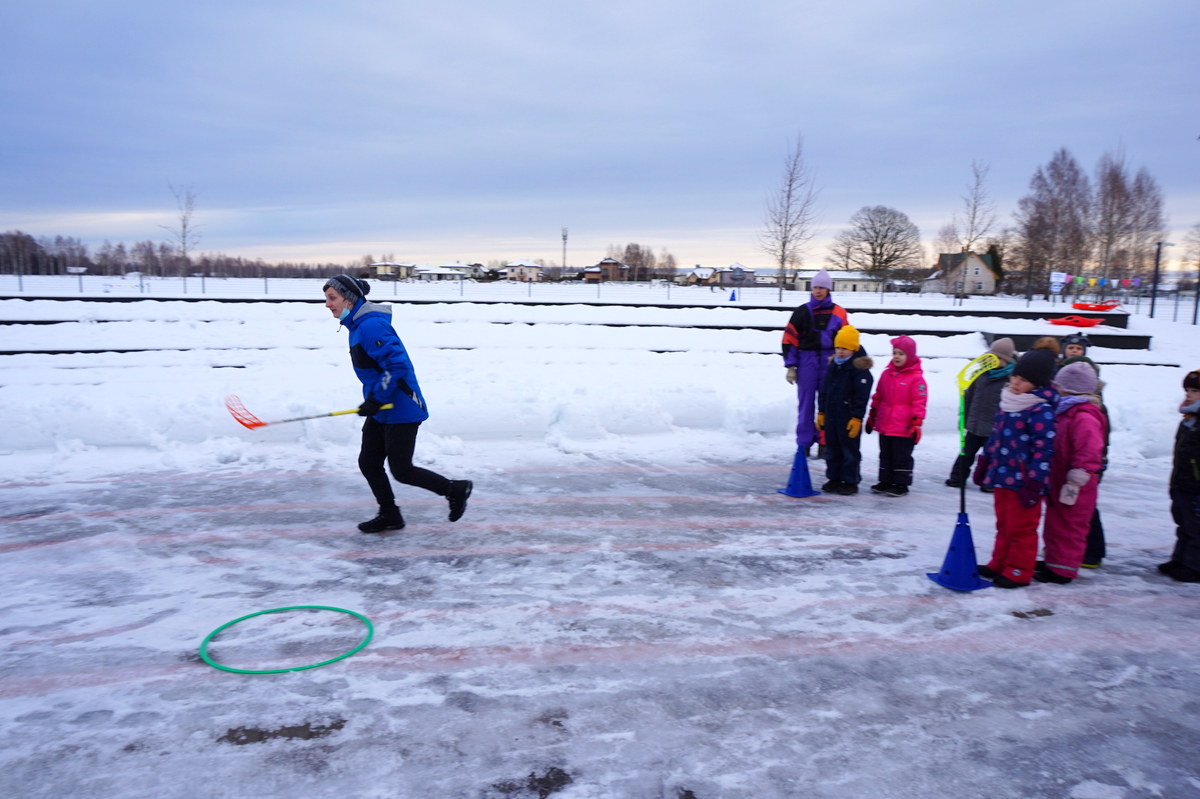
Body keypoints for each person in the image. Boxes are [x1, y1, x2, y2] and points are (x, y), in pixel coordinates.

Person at [323, 274, 473, 533]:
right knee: (369, 462)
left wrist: (377, 399)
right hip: (381, 407)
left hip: (401, 407)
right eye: (327, 299)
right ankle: (390, 514)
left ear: (349, 298)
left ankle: (454, 490)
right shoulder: (356, 326)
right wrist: (373, 400)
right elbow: (377, 369)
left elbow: (397, 365)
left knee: (402, 469)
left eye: (332, 298)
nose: (327, 304)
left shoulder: (370, 327)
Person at [974, 349, 1058, 588]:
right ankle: (999, 563)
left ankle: (1019, 570)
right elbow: (995, 437)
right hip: (1002, 476)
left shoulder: (1040, 409)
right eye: (1015, 377)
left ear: (1038, 384)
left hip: (1024, 482)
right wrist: (984, 462)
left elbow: (1045, 450)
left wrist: (1034, 482)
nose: (1016, 382)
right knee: (1003, 525)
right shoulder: (1008, 403)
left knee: (1021, 529)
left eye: (1023, 380)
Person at [1037, 362, 1107, 584]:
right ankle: (1053, 561)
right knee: (1055, 522)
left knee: (1070, 526)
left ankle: (1063, 570)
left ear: (1069, 388)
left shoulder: (1084, 416)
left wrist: (1078, 476)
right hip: (1058, 478)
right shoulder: (1065, 410)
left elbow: (1089, 450)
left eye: (1059, 385)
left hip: (1075, 483)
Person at [782, 269, 848, 459]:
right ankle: (804, 442)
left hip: (830, 361)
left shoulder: (839, 313)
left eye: (822, 288)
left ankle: (824, 442)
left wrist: (843, 362)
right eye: (815, 287)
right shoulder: (802, 312)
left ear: (829, 290)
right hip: (807, 361)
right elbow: (789, 340)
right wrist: (791, 366)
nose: (818, 291)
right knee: (806, 404)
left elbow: (847, 340)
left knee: (827, 404)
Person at [1057, 331, 1108, 568]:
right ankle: (1061, 552)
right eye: (1071, 348)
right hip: (1067, 470)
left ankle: (1091, 552)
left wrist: (1084, 471)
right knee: (1067, 514)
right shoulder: (1066, 406)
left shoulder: (1086, 412)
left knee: (1083, 513)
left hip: (1081, 474)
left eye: (1079, 349)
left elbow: (1094, 444)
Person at [946, 337, 1016, 490]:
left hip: (993, 427)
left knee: (991, 456)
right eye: (992, 357)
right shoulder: (980, 374)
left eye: (999, 358)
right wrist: (964, 416)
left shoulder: (1010, 380)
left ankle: (988, 480)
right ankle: (957, 477)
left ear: (1007, 360)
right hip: (975, 423)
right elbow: (969, 395)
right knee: (966, 452)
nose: (995, 361)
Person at [866, 335, 927, 497]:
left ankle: (901, 483)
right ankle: (885, 481)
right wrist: (873, 415)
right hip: (885, 424)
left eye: (901, 353)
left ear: (910, 356)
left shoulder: (916, 379)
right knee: (885, 454)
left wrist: (916, 422)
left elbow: (919, 401)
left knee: (901, 456)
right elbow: (878, 396)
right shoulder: (886, 375)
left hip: (904, 427)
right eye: (895, 353)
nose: (897, 356)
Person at [816, 325, 873, 495]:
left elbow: (861, 397)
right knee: (832, 449)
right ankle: (833, 478)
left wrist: (857, 417)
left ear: (854, 349)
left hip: (848, 418)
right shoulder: (834, 366)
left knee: (849, 451)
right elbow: (824, 390)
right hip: (832, 415)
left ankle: (850, 481)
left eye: (845, 348)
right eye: (838, 347)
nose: (840, 352)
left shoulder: (859, 370)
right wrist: (821, 412)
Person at [1160, 368, 1200, 583]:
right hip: (1182, 481)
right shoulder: (1189, 419)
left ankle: (1194, 567)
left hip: (1196, 486)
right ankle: (1180, 559)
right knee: (1183, 523)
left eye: (1194, 390)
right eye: (1187, 390)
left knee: (1196, 528)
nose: (1189, 394)